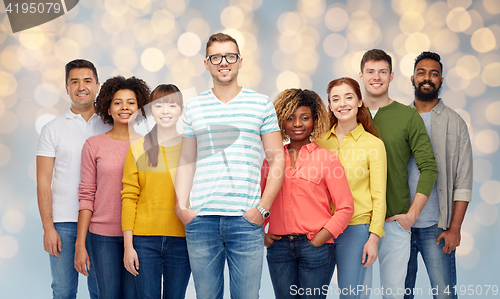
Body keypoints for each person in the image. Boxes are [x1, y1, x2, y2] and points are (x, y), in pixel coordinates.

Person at [174, 32, 285, 299]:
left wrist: (262, 209)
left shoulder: (260, 104)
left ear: (240, 61)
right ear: (206, 63)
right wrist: (181, 208)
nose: (224, 62)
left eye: (230, 56)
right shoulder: (195, 106)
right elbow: (185, 162)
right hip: (202, 221)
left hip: (246, 222)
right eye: (216, 57)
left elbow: (277, 159)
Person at [358, 49, 438, 299]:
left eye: (382, 72)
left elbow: (429, 167)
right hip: (356, 222)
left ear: (391, 76)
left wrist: (411, 215)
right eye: (370, 71)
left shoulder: (407, 116)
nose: (376, 77)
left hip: (394, 221)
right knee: (356, 293)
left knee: (393, 295)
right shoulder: (348, 113)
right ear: (361, 75)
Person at [263, 88, 354, 299]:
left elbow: (345, 207)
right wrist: (263, 234)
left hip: (315, 247)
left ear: (314, 121)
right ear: (281, 122)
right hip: (279, 249)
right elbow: (257, 200)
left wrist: (321, 237)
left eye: (305, 118)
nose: (297, 124)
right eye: (290, 118)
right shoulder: (271, 160)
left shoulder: (327, 159)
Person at [404, 52, 473, 299]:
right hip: (401, 226)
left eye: (434, 74)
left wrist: (455, 228)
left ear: (441, 80)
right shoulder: (399, 119)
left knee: (444, 295)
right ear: (412, 78)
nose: (427, 78)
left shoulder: (455, 123)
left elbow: (464, 181)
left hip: (437, 227)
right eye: (421, 72)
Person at [74, 76, 150, 299]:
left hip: (139, 235)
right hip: (102, 236)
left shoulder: (149, 145)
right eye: (117, 102)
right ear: (108, 107)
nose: (124, 107)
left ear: (139, 107)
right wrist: (81, 243)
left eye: (131, 102)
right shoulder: (93, 146)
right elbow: (86, 195)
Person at [36, 59, 107, 299]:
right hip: (64, 223)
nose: (81, 87)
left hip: (102, 223)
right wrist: (48, 227)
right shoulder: (52, 129)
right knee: (64, 291)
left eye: (87, 81)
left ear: (97, 85)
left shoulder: (110, 125)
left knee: (103, 291)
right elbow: (43, 181)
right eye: (74, 82)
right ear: (66, 88)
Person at [316, 77, 387, 299]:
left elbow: (379, 196)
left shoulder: (373, 145)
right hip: (320, 229)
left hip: (356, 230)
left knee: (351, 295)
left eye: (348, 97)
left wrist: (373, 238)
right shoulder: (318, 142)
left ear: (359, 102)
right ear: (329, 106)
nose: (342, 104)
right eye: (335, 99)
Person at [121, 84, 191, 298]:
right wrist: (128, 246)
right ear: (151, 110)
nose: (166, 111)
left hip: (182, 240)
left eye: (172, 105)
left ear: (181, 109)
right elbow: (129, 197)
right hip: (144, 240)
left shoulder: (191, 147)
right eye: (159, 105)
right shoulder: (137, 148)